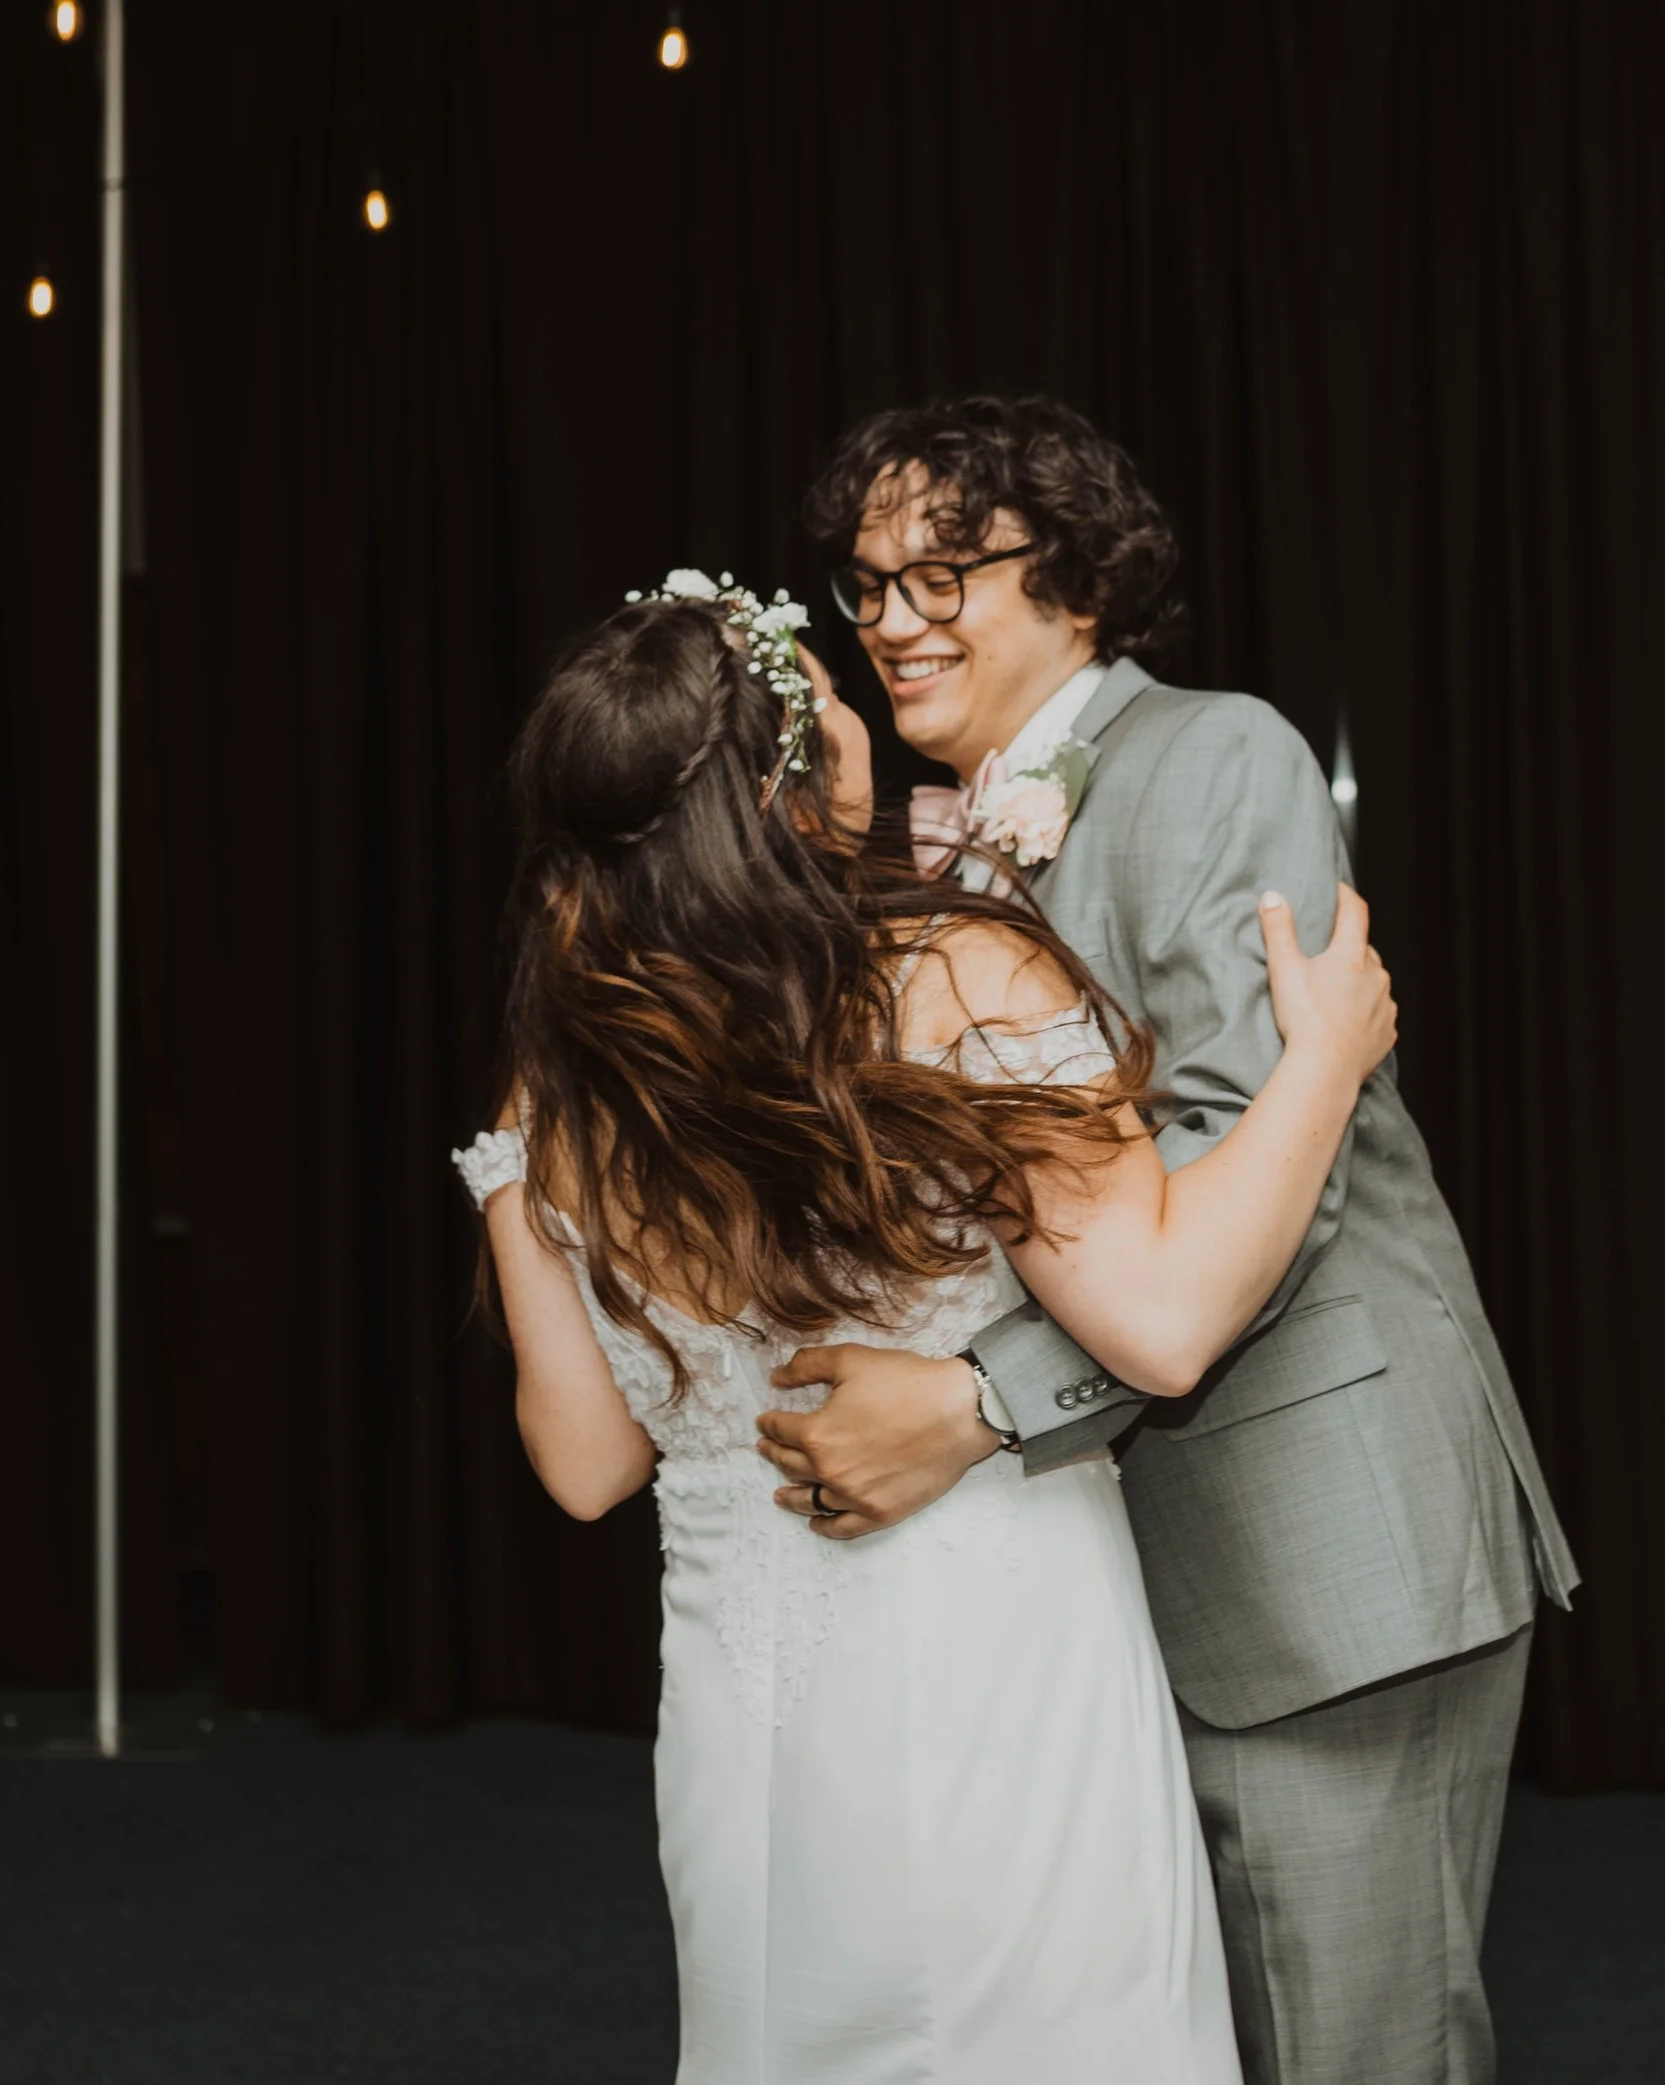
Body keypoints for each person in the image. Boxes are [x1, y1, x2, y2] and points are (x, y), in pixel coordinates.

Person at [453, 567, 1398, 2082]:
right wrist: (1323, 1065)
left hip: (733, 1709)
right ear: (791, 775)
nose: (864, 711)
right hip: (994, 1657)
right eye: (829, 698)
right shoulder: (955, 970)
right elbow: (1159, 1326)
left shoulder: (563, 1088)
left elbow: (582, 1463)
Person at [759, 397, 1582, 2085]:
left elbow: (1265, 1163)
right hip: (1108, 1571)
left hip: (1318, 1548)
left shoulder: (1215, 755)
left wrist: (973, 1405)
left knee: (1357, 2055)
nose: (895, 618)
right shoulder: (949, 830)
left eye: (944, 572)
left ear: (1073, 582)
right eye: (866, 586)